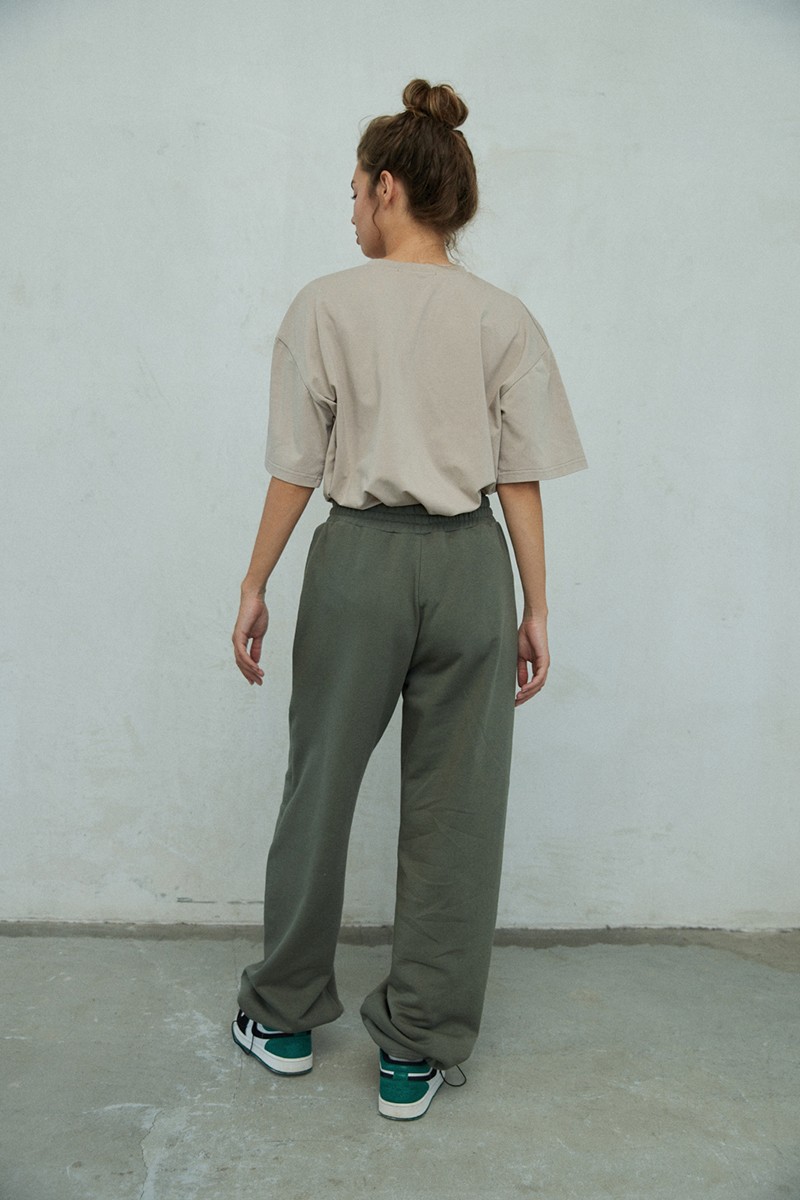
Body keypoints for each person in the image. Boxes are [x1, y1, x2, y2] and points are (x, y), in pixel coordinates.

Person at [230, 78, 587, 1121]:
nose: (349, 211)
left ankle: (284, 1018)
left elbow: (297, 468)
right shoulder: (503, 318)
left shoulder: (324, 305)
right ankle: (415, 1049)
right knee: (455, 811)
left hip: (359, 565)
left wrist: (255, 580)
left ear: (388, 188)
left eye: (353, 191)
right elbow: (517, 477)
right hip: (471, 566)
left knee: (318, 787)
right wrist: (534, 606)